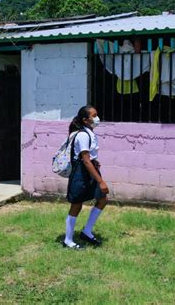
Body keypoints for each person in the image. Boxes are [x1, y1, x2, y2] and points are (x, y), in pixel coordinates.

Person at [63, 105, 109, 249]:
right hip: (81, 173)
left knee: (102, 199)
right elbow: (85, 160)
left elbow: (90, 158)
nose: (97, 118)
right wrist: (100, 181)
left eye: (97, 115)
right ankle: (68, 240)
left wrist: (95, 162)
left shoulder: (89, 132)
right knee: (76, 204)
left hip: (91, 170)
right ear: (85, 120)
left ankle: (86, 231)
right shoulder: (83, 135)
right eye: (93, 116)